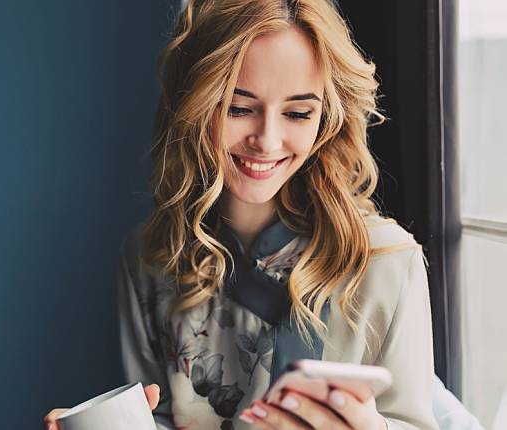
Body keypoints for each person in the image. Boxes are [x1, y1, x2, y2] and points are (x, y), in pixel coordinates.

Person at [45, 0, 484, 429]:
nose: (267, 140)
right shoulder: (150, 258)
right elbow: (154, 414)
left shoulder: (385, 261)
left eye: (297, 113)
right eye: (238, 107)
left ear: (326, 117)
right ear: (195, 103)